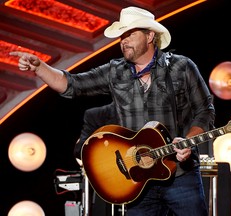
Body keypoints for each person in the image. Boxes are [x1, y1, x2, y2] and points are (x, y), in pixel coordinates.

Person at [10, 6, 215, 216]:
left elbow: (205, 110)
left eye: (129, 34)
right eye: (121, 35)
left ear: (150, 35)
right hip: (137, 181)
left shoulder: (181, 67)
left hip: (180, 175)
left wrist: (188, 140)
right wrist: (40, 68)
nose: (123, 40)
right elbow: (72, 84)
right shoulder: (115, 71)